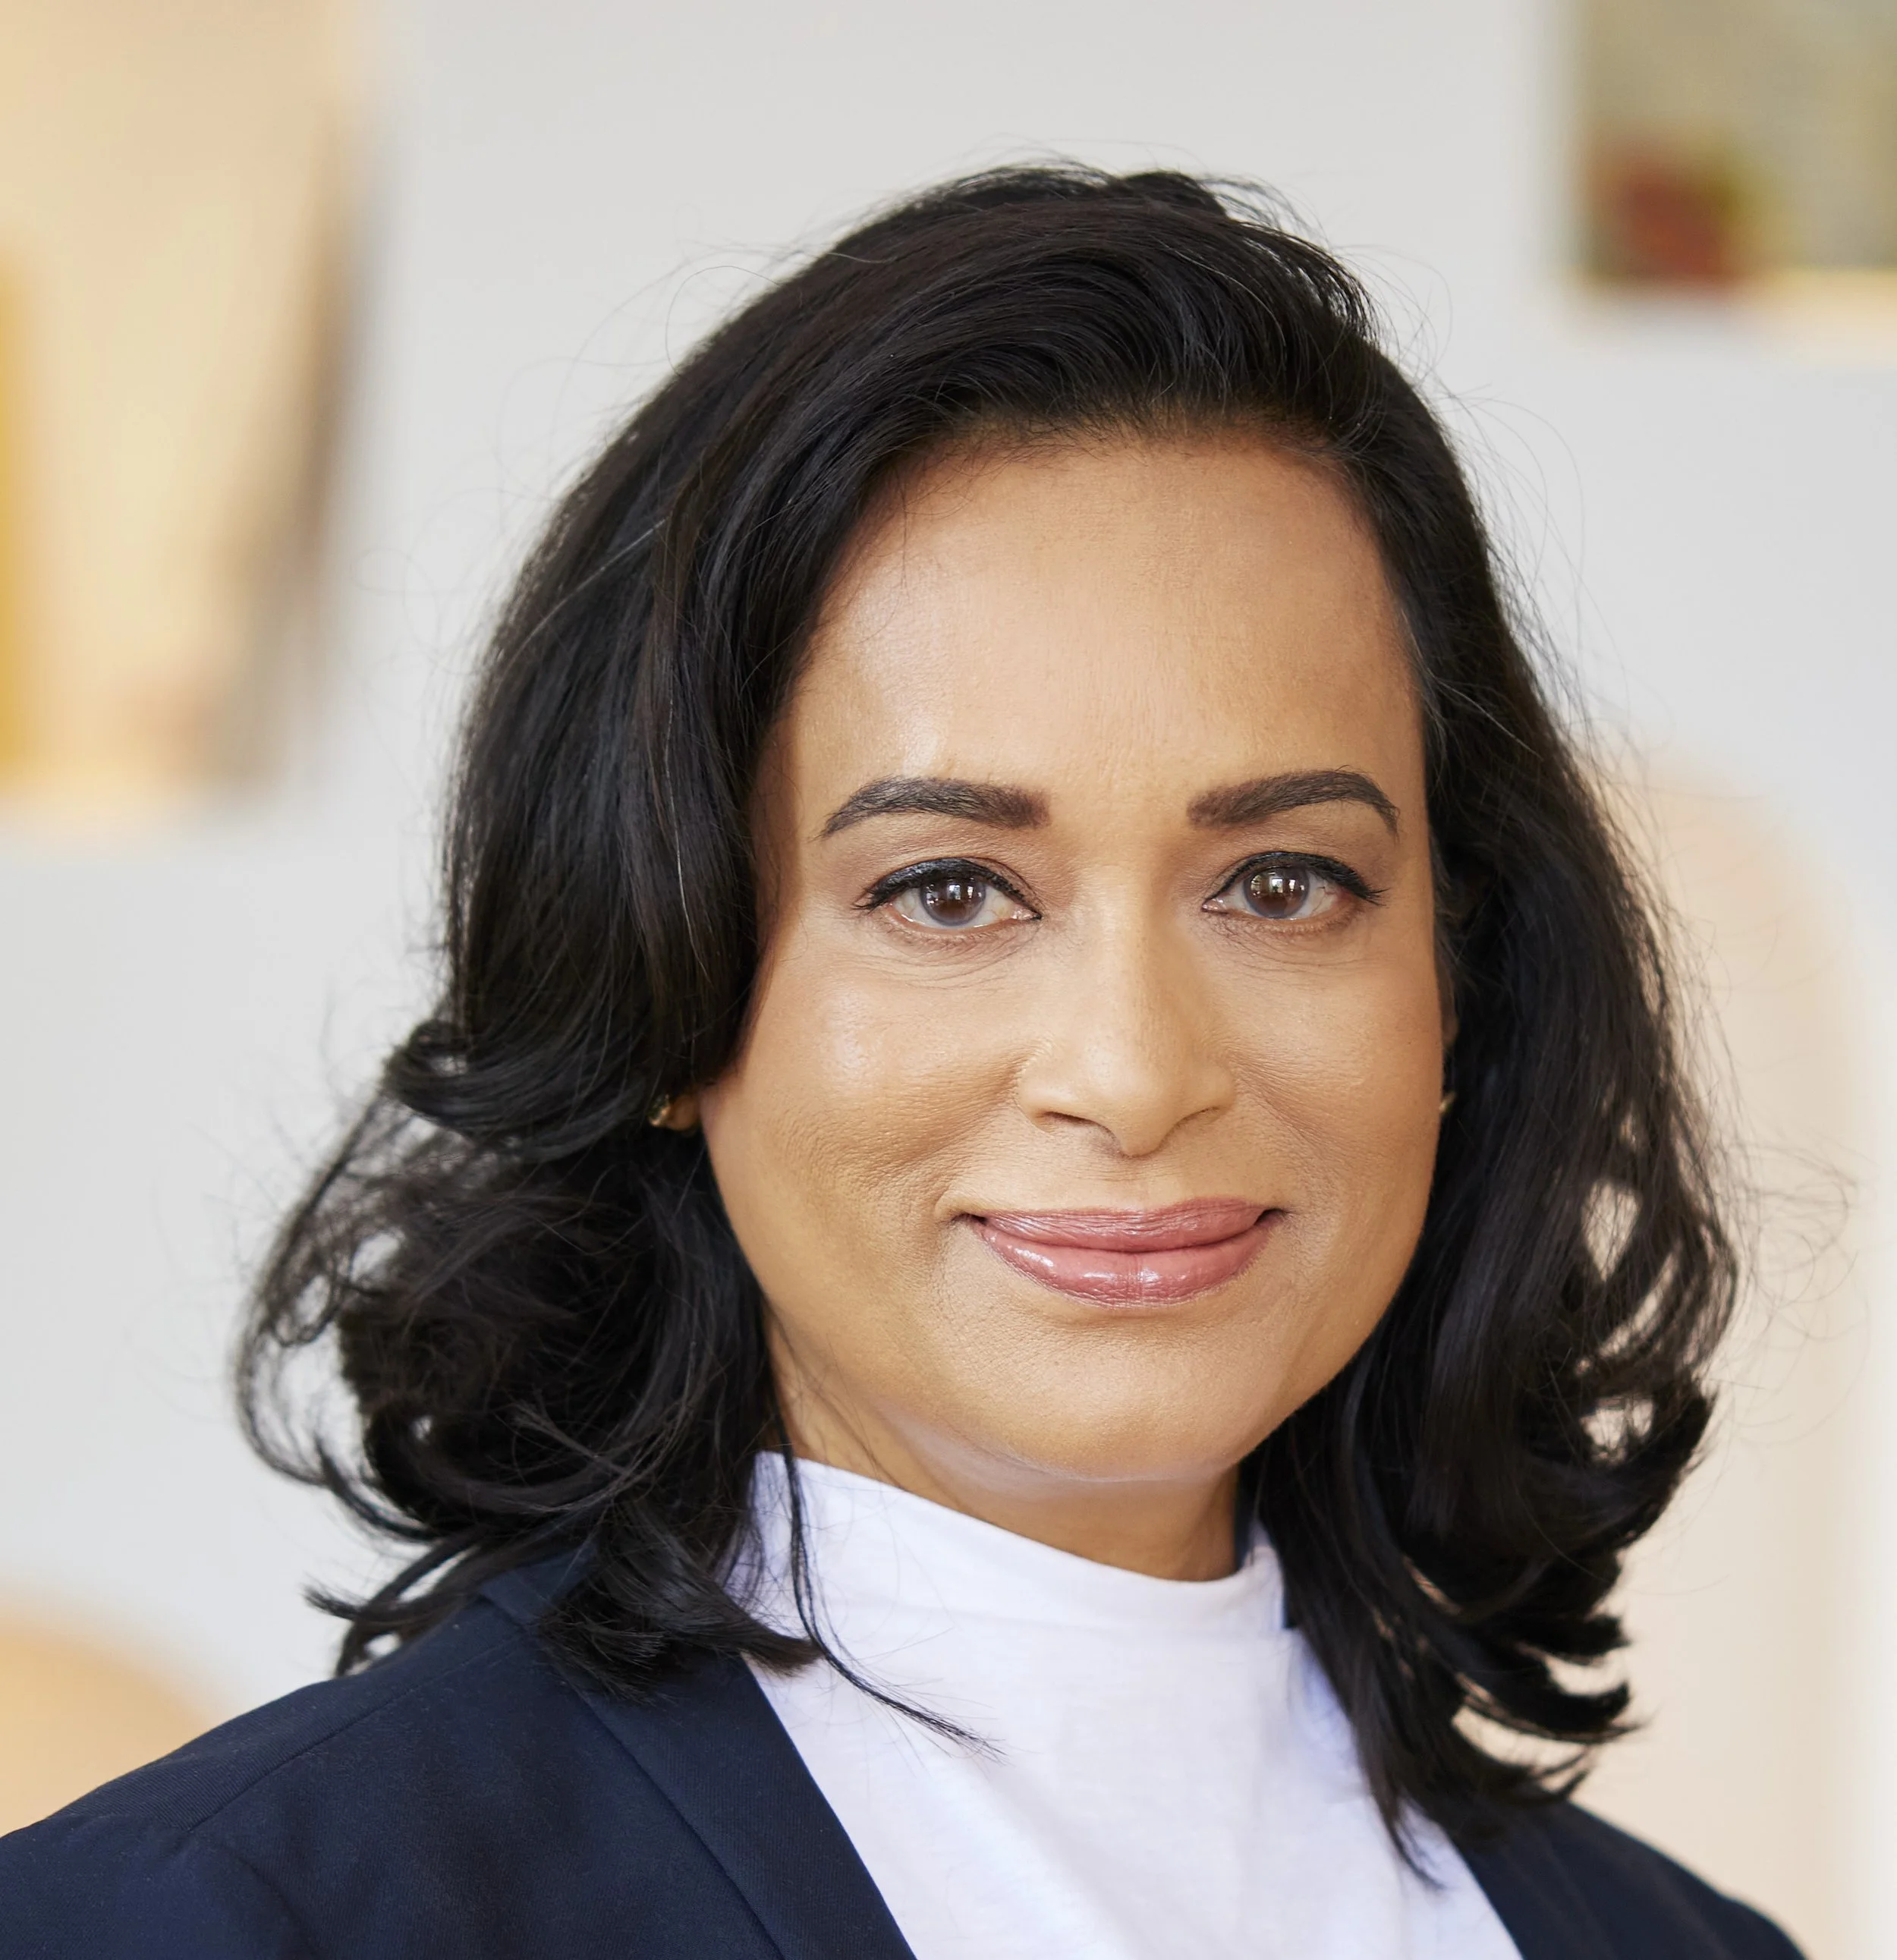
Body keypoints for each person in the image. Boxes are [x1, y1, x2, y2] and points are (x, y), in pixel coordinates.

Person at [0, 167, 1801, 1959]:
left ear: (1457, 981)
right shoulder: (213, 1920)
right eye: (947, 889)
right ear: (661, 982)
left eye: (1279, 882)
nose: (1133, 1071)